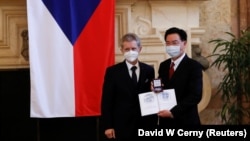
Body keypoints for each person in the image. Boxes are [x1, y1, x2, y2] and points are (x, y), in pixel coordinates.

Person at [100, 33, 157, 140]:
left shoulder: (149, 70)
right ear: (122, 50)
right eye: (127, 49)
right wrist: (108, 126)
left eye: (133, 48)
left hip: (145, 124)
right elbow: (107, 101)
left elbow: (151, 95)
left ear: (140, 49)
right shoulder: (112, 72)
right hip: (122, 125)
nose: (130, 52)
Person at [156, 27, 203, 126]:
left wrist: (173, 112)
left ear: (184, 43)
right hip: (165, 122)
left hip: (186, 121)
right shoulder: (163, 65)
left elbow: (195, 96)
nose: (170, 46)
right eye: (168, 43)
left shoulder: (194, 66)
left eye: (175, 43)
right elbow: (162, 87)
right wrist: (155, 87)